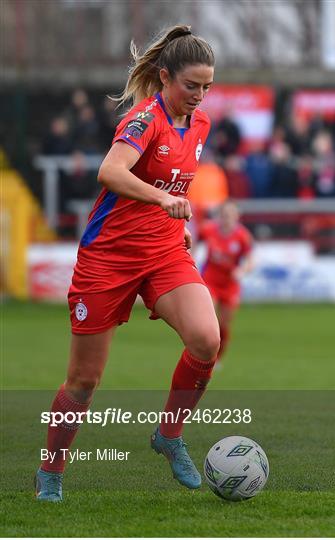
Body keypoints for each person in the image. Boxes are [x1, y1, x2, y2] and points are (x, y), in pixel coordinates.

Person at [35, 24, 219, 502]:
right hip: (108, 260)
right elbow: (110, 172)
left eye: (207, 87)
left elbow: (175, 182)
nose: (199, 96)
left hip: (163, 252)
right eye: (191, 85)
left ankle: (169, 436)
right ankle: (51, 470)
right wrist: (162, 200)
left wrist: (177, 222)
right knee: (84, 380)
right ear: (164, 77)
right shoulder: (143, 120)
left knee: (207, 340)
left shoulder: (200, 125)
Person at [198, 200, 254, 366]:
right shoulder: (208, 229)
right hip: (210, 280)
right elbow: (191, 242)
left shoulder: (242, 236)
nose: (227, 218)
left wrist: (242, 271)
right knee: (210, 321)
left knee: (224, 324)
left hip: (230, 285)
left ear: (237, 217)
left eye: (231, 215)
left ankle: (218, 358)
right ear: (219, 216)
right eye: (224, 214)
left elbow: (251, 260)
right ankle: (203, 355)